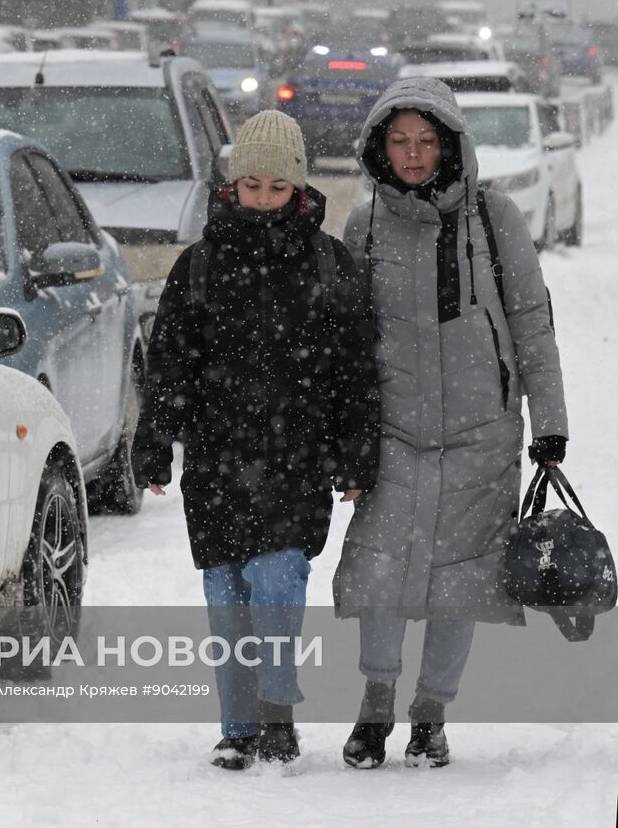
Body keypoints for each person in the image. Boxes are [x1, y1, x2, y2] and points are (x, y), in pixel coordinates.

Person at [133, 110, 380, 770]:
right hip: (216, 460)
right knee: (226, 595)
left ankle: (276, 716)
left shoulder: (328, 264)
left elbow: (354, 371)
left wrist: (356, 455)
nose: (265, 199)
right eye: (252, 186)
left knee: (277, 578)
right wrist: (154, 443)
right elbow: (169, 365)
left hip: (296, 458)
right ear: (232, 185)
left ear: (298, 187)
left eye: (277, 187)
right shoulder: (200, 266)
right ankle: (237, 728)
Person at [334, 77, 568, 769]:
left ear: (450, 145)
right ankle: (376, 703)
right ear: (380, 147)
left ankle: (431, 715)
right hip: (393, 431)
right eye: (399, 141)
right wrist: (342, 435)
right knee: (380, 569)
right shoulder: (364, 223)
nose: (413, 154)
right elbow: (346, 341)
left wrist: (549, 423)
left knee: (460, 582)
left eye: (426, 141)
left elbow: (531, 322)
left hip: (479, 432)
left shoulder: (495, 217)